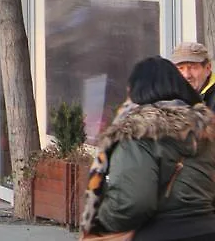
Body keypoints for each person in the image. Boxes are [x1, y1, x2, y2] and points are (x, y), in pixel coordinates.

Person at [81, 56, 215, 240]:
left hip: (158, 234)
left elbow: (132, 203)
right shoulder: (205, 132)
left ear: (138, 91)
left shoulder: (137, 134)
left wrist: (101, 225)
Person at [171, 42, 215, 111]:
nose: (186, 75)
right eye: (180, 68)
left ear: (207, 68)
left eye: (193, 68)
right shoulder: (169, 98)